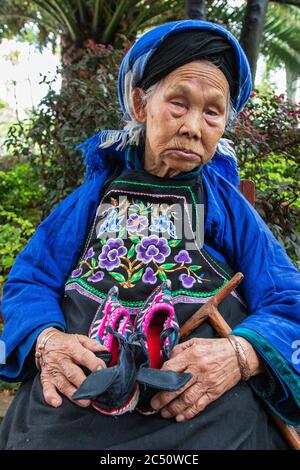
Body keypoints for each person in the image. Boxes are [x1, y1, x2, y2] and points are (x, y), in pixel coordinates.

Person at [0, 19, 299, 450]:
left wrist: (239, 356)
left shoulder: (227, 207)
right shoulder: (92, 199)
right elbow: (30, 280)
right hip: (82, 398)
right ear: (141, 104)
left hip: (197, 403)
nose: (195, 127)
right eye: (178, 104)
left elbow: (288, 297)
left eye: (212, 111)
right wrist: (50, 342)